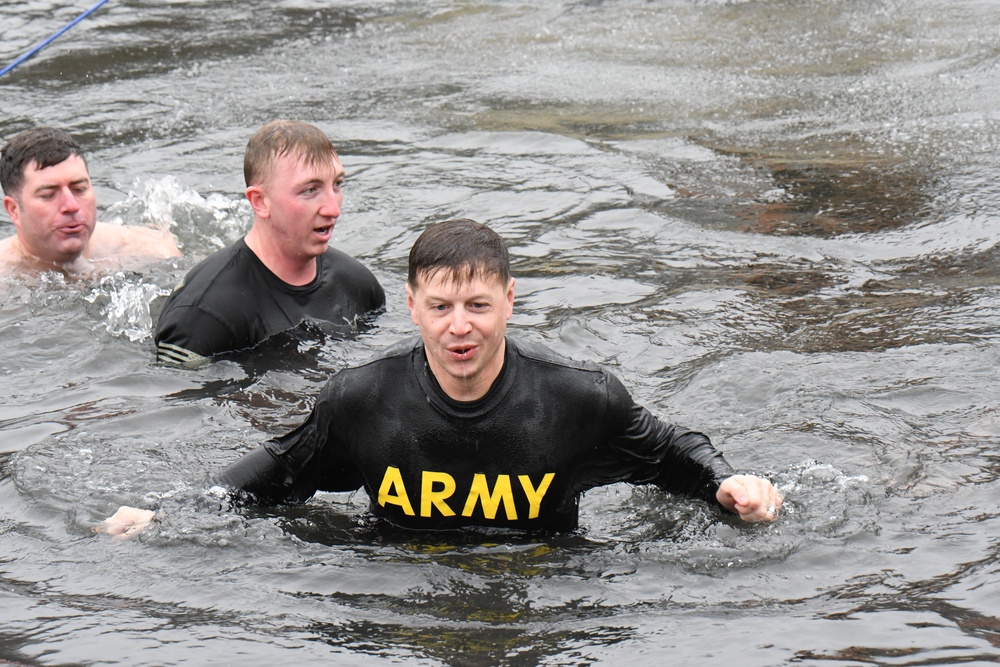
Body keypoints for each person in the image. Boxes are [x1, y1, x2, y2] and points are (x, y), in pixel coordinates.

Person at [102, 219, 783, 538]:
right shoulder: (363, 399)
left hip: (540, 589)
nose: (461, 327)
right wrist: (171, 513)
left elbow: (672, 455)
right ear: (412, 307)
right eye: (442, 307)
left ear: (509, 303)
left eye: (479, 306)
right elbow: (278, 471)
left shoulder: (578, 398)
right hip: (403, 586)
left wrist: (733, 484)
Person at [154, 119, 386, 367]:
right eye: (310, 190)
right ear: (260, 202)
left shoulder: (359, 286)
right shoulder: (203, 318)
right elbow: (170, 398)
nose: (333, 209)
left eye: (337, 184)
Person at [0, 127, 180, 275]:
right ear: (13, 210)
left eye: (79, 190)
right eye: (48, 195)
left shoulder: (150, 252)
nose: (71, 206)